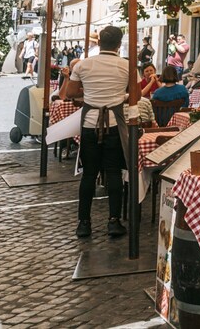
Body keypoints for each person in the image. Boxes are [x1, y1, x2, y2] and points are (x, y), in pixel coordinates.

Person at [62, 25, 130, 239]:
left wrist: (90, 91)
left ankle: (83, 223)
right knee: (114, 172)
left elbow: (70, 92)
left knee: (89, 174)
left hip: (90, 124)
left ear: (99, 42)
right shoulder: (127, 65)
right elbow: (136, 95)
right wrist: (119, 94)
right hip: (114, 123)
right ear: (119, 44)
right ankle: (114, 221)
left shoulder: (83, 64)